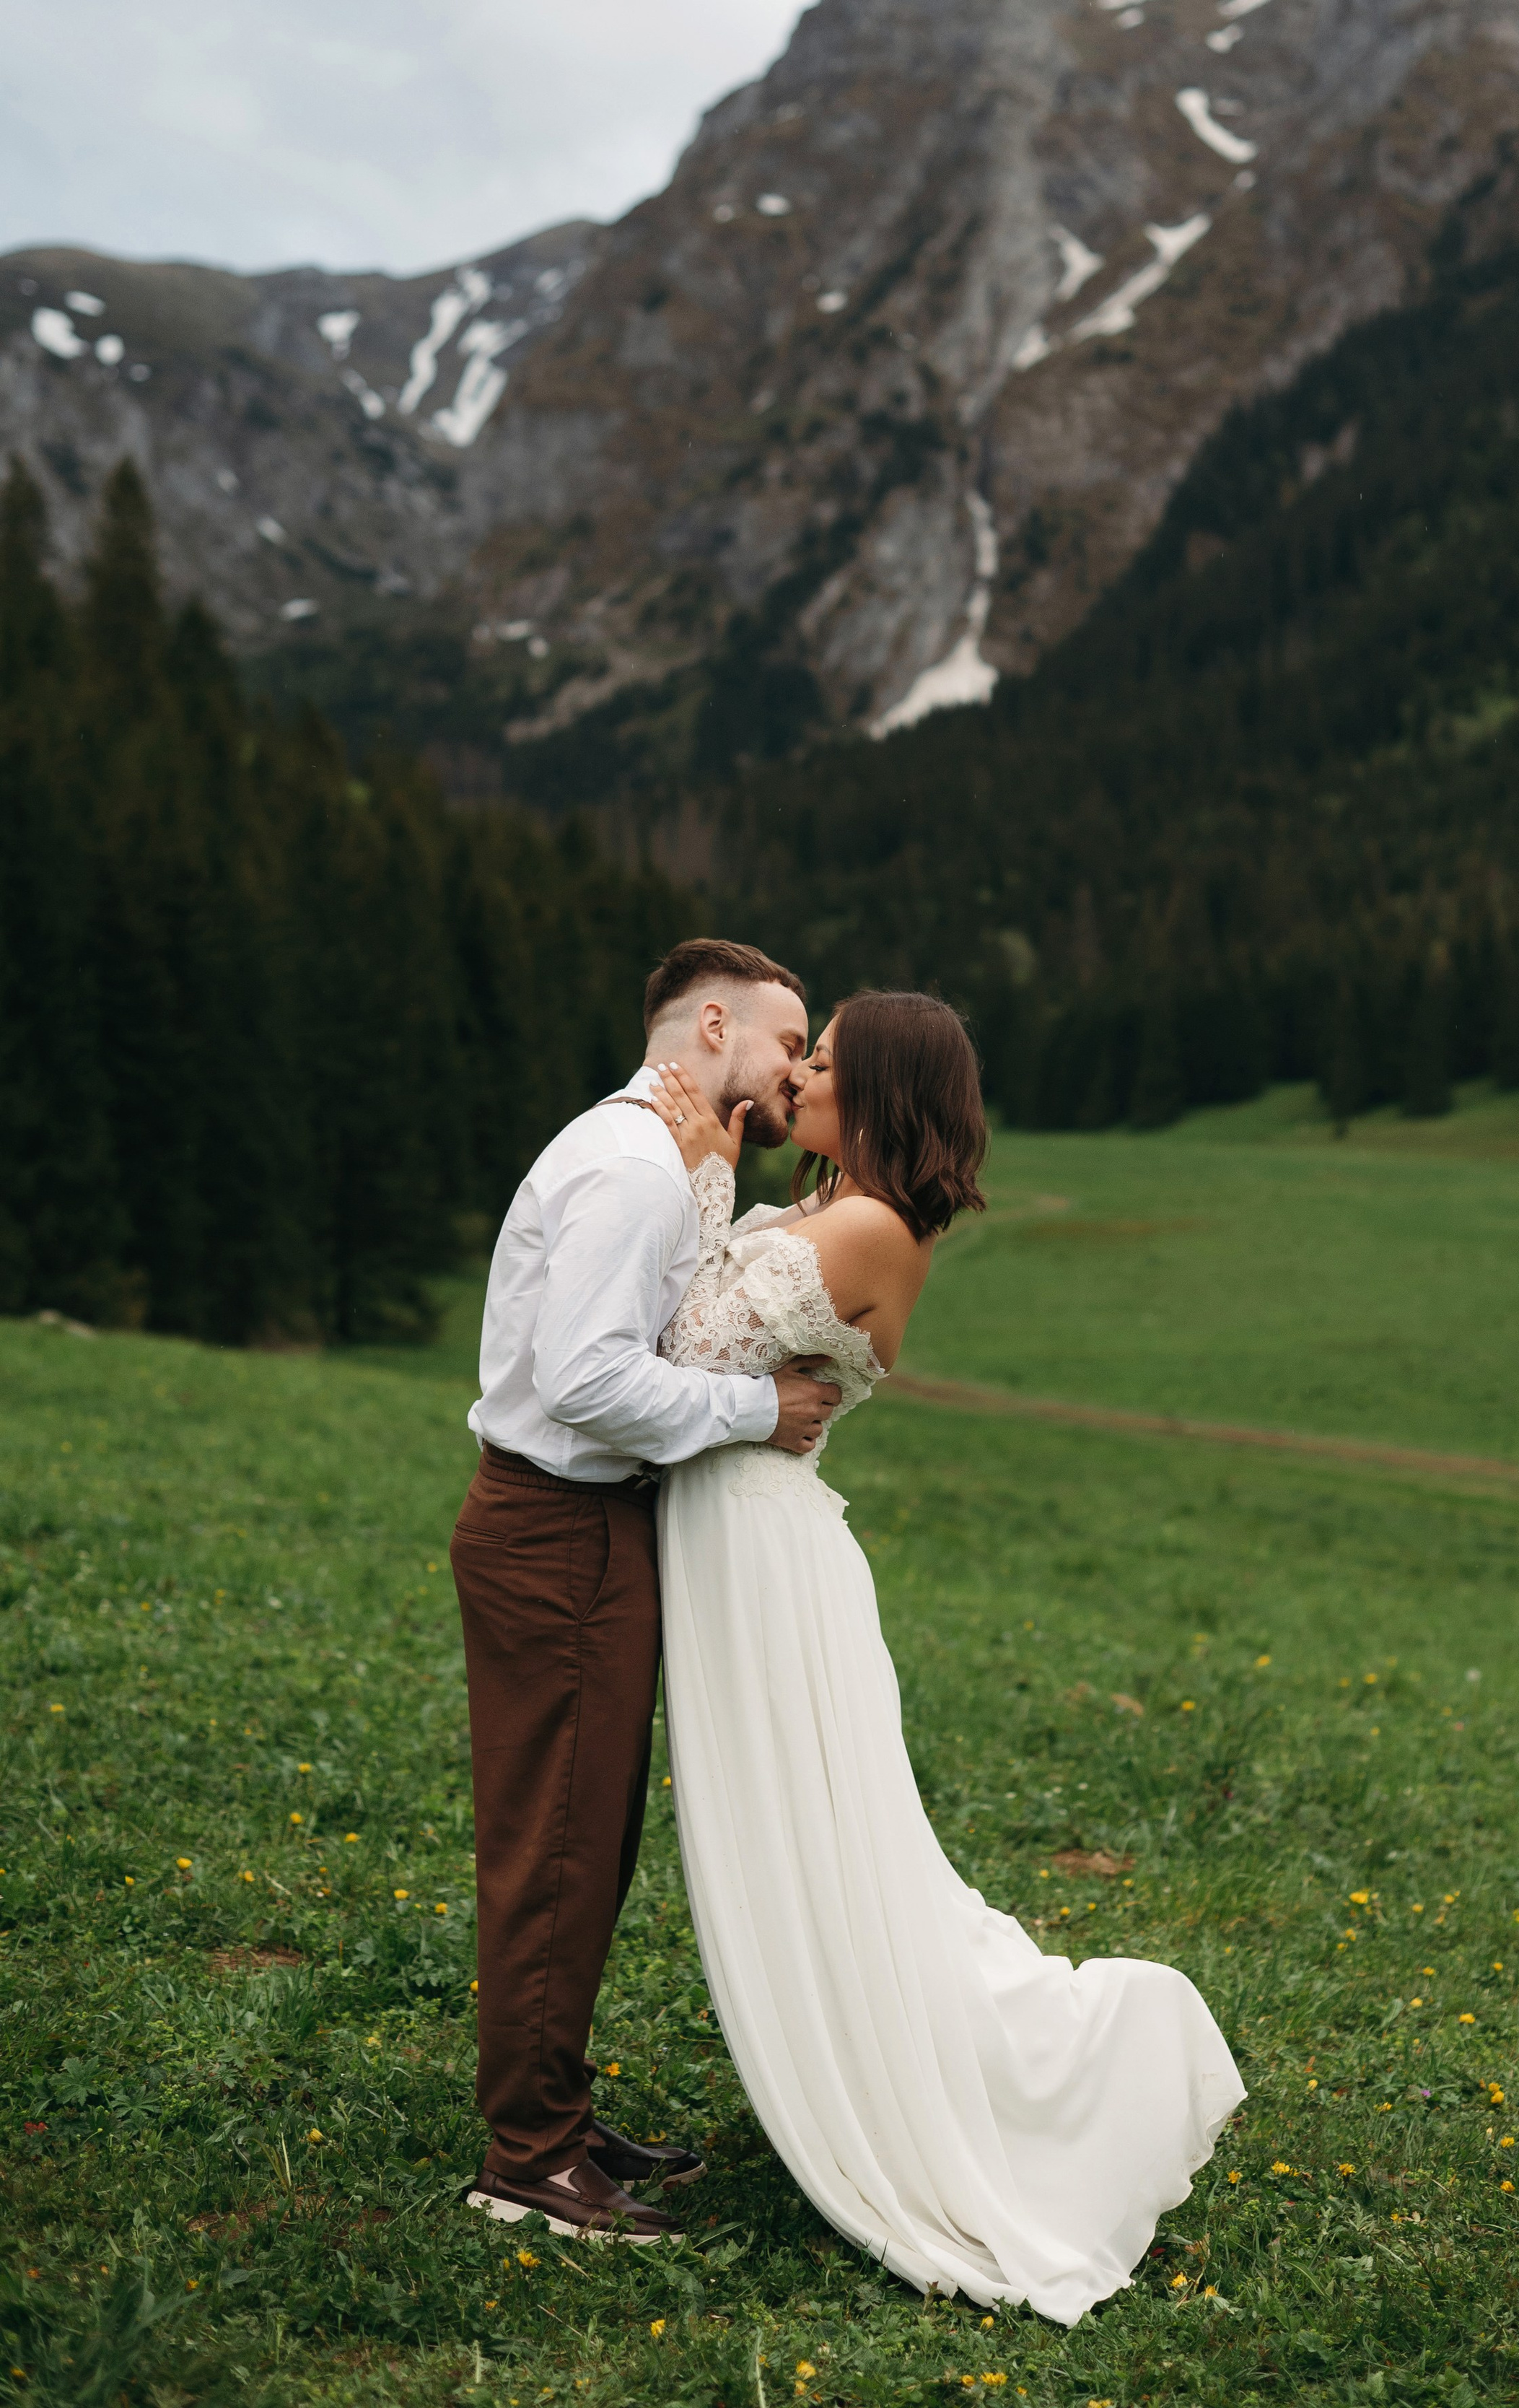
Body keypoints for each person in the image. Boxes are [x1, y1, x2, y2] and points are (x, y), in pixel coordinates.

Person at [642, 989, 1244, 2323]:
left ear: (887, 1096)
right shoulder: (828, 1209)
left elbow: (680, 1345)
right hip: (741, 1548)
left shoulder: (865, 1228)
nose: (800, 1070)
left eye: (832, 1062)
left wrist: (698, 1170)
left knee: (839, 1862)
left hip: (769, 1567)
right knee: (819, 1855)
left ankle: (1033, 2081)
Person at [452, 937, 843, 2242]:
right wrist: (759, 1411)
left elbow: (657, 1322)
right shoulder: (628, 1165)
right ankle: (531, 2163)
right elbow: (587, 1381)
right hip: (558, 1528)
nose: (799, 1068)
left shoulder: (660, 1156)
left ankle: (552, 2111)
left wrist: (715, 1179)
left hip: (584, 1525)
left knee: (585, 1841)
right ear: (715, 1025)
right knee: (557, 1846)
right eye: (791, 1042)